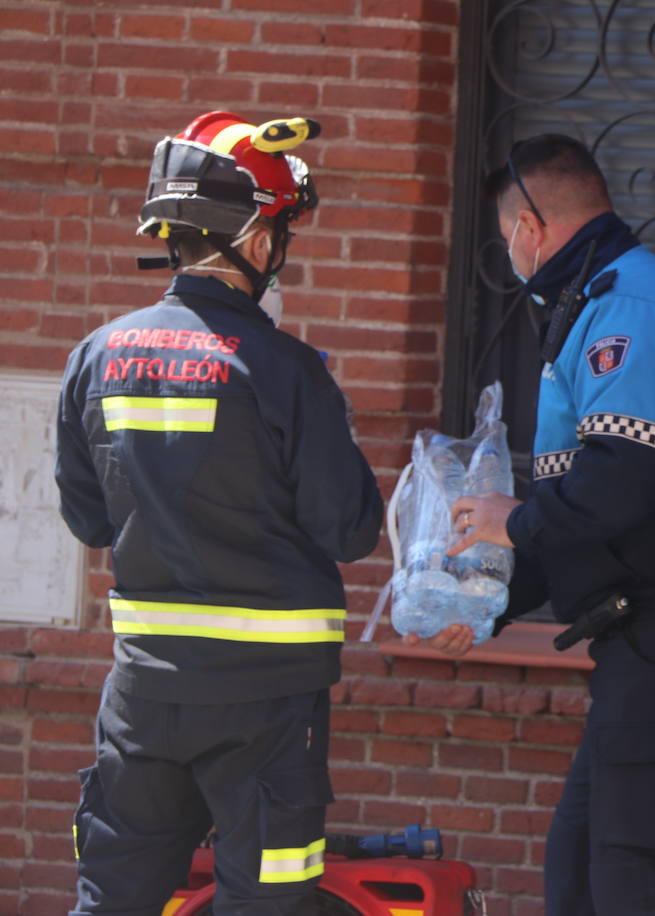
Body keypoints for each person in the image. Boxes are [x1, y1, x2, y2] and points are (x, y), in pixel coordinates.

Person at [438, 133, 655, 914]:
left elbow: (619, 484)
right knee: (580, 872)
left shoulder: (626, 308)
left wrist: (512, 523)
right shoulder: (593, 303)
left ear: (529, 227)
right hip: (650, 629)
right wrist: (488, 603)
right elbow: (588, 517)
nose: (509, 253)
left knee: (634, 878)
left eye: (505, 237)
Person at [56, 111, 384, 915]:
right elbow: (349, 530)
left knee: (113, 899)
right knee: (264, 903)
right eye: (280, 234)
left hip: (144, 693)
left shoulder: (94, 358)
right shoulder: (286, 369)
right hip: (265, 704)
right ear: (257, 241)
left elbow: (89, 522)